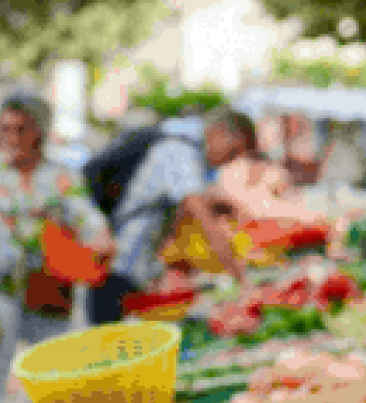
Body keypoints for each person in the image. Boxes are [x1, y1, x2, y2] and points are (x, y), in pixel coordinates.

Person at [0, 93, 113, 403]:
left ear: (39, 132)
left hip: (49, 293)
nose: (12, 138)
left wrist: (100, 239)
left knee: (57, 377)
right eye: (5, 129)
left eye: (21, 129)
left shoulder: (61, 176)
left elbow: (87, 218)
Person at [88, 107, 268, 325]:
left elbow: (181, 222)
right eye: (232, 153)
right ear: (220, 133)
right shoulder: (179, 153)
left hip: (135, 267)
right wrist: (241, 278)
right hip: (117, 266)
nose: (227, 162)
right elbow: (203, 221)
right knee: (110, 342)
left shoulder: (188, 151)